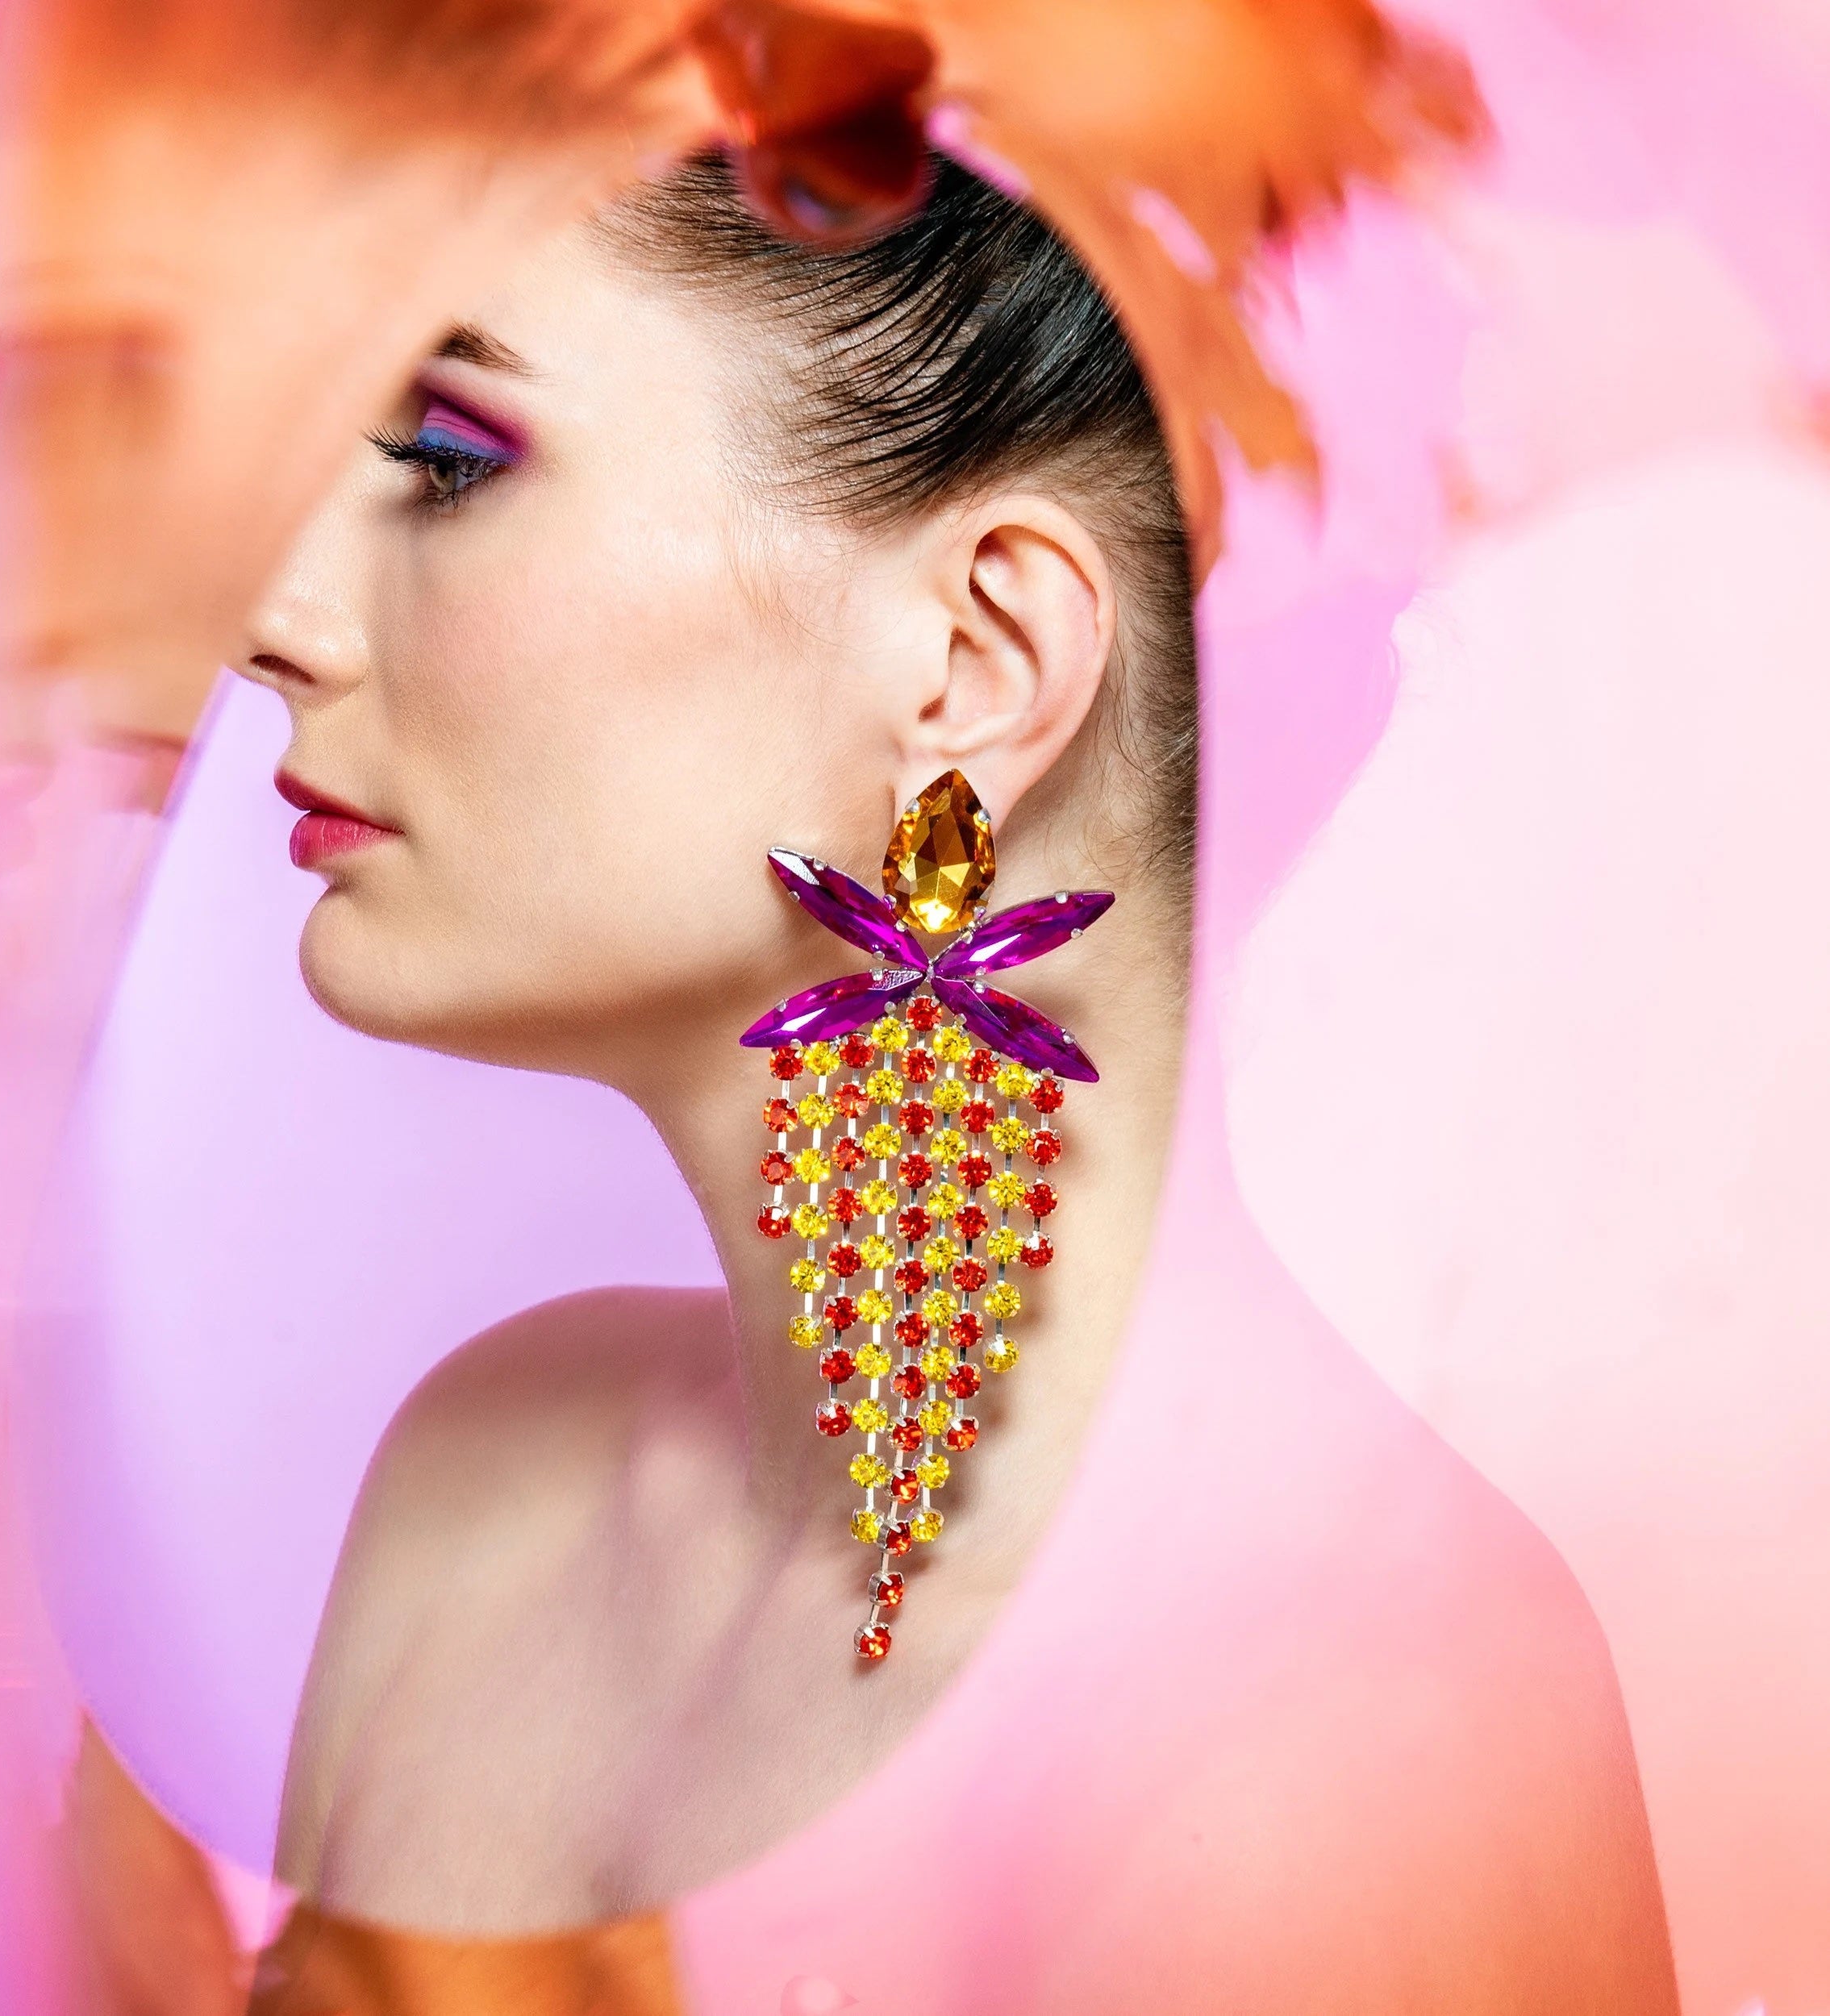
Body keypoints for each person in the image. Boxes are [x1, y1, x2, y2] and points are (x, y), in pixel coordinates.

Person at [237, 152, 1678, 2010]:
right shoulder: (479, 1482)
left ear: (975, 657)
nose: (274, 615)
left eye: (447, 456)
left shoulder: (1329, 1749)